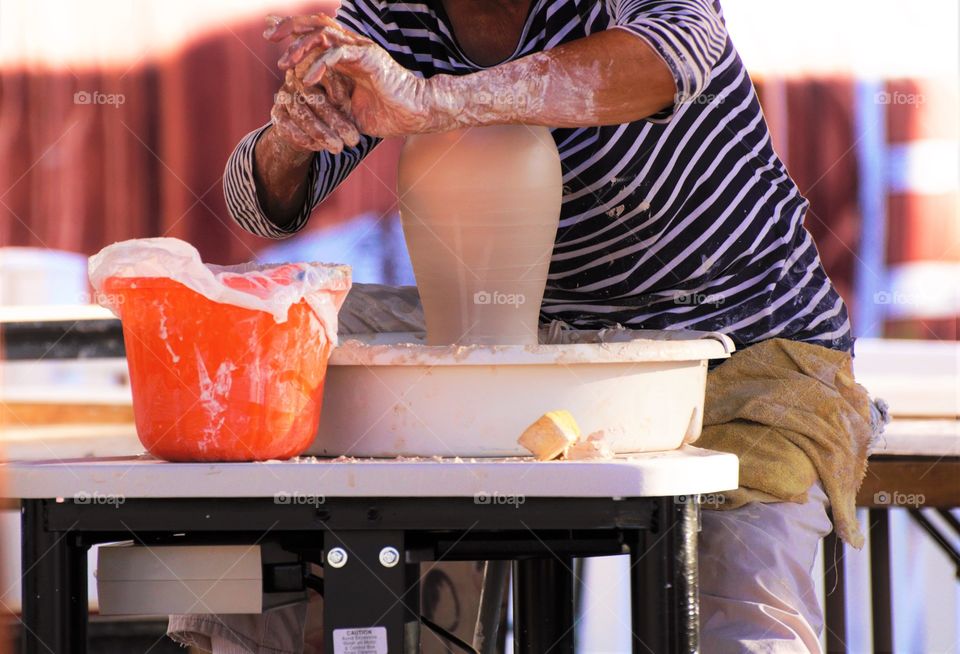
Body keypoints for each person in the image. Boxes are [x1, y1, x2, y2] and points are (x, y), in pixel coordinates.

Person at [169, 1, 885, 652]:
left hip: (740, 350)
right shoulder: (397, 19)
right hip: (533, 357)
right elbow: (262, 209)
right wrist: (292, 138)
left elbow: (675, 53)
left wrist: (436, 101)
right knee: (280, 356)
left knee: (744, 616)